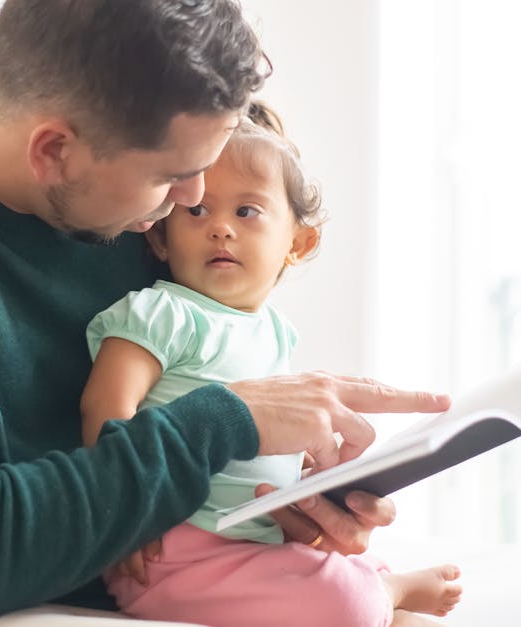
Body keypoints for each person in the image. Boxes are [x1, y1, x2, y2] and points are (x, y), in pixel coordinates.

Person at [0, 1, 450, 625]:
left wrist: (282, 505)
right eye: (174, 177)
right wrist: (225, 420)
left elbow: (176, 436)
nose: (191, 201)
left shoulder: (131, 202)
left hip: (144, 583)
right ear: (55, 152)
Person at [81, 104, 462, 627]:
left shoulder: (276, 334)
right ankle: (386, 593)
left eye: (246, 212)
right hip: (171, 550)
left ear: (298, 243)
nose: (219, 228)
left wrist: (314, 480)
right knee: (348, 603)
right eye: (197, 212)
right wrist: (122, 515)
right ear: (159, 238)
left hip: (254, 537)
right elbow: (105, 405)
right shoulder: (161, 312)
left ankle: (383, 594)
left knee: (354, 567)